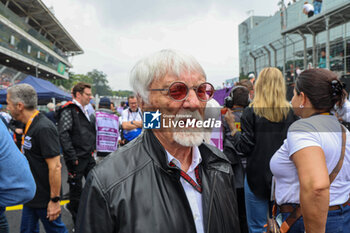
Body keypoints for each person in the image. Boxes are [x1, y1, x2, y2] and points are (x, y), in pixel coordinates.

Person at [76, 49, 240, 233]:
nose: (194, 103)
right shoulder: (107, 182)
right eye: (177, 91)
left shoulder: (220, 164)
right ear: (143, 101)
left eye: (201, 90)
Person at [270, 68, 350, 232]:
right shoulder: (343, 130)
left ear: (303, 98)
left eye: (294, 94)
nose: (291, 99)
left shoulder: (302, 129)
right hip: (341, 217)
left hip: (310, 221)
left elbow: (317, 187)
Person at [226, 67, 297, 233]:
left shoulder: (251, 112)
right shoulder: (291, 113)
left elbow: (244, 147)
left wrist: (232, 128)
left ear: (259, 85)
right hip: (284, 178)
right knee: (284, 226)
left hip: (255, 177)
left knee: (258, 227)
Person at [6, 84, 67, 232]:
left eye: (8, 103)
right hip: (31, 195)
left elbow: (56, 166)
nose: (7, 108)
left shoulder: (43, 127)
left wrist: (54, 200)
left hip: (45, 198)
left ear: (19, 106)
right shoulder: (30, 124)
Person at [57, 82, 96, 225]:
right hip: (77, 158)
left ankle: (89, 215)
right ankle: (76, 220)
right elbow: (64, 134)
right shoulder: (69, 109)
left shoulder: (87, 109)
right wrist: (72, 156)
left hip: (88, 155)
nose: (91, 97)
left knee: (95, 184)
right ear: (78, 95)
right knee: (76, 191)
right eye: (88, 94)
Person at [223, 85, 250, 233]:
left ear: (230, 100)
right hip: (251, 172)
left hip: (232, 172)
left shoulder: (224, 118)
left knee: (237, 212)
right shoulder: (252, 116)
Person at [95, 97, 120, 163]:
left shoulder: (95, 115)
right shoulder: (116, 118)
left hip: (98, 151)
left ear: (99, 105)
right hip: (112, 151)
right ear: (110, 106)